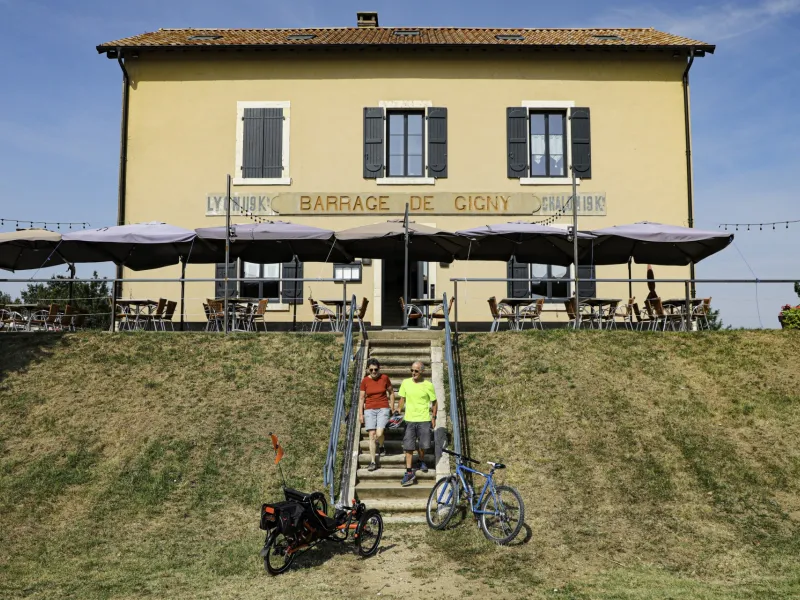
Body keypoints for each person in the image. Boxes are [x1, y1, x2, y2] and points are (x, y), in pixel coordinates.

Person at [396, 361, 437, 487]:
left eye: (416, 371)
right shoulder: (405, 383)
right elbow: (402, 399)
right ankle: (409, 472)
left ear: (422, 371)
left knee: (424, 445)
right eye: (412, 370)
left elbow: (434, 402)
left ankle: (420, 460)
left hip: (424, 419)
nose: (413, 373)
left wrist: (434, 417)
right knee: (408, 446)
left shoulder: (428, 385)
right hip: (409, 419)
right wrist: (398, 409)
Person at [358, 358, 395, 472]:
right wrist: (360, 414)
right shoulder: (365, 381)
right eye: (371, 370)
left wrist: (392, 407)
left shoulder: (384, 378)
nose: (374, 372)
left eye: (376, 369)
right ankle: (373, 461)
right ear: (368, 370)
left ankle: (382, 445)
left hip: (383, 408)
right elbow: (361, 398)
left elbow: (391, 392)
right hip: (369, 409)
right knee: (372, 435)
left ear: (379, 369)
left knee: (379, 433)